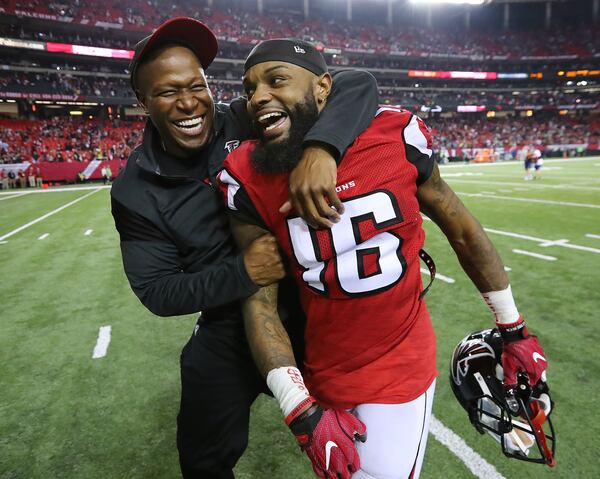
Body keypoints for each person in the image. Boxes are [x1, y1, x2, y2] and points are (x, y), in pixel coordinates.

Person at [218, 39, 550, 479]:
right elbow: (259, 301)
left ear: (322, 88)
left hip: (399, 360)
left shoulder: (394, 134)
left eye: (276, 80)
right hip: (323, 366)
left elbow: (463, 231)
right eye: (249, 88)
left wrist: (513, 326)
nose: (258, 96)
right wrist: (299, 409)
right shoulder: (244, 173)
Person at [110, 18, 379, 479]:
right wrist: (244, 271)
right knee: (203, 459)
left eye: (197, 86)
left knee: (362, 446)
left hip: (310, 308)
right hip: (228, 326)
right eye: (168, 92)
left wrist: (322, 149)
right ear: (142, 102)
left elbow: (356, 84)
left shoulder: (244, 115)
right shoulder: (134, 190)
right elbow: (157, 291)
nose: (189, 102)